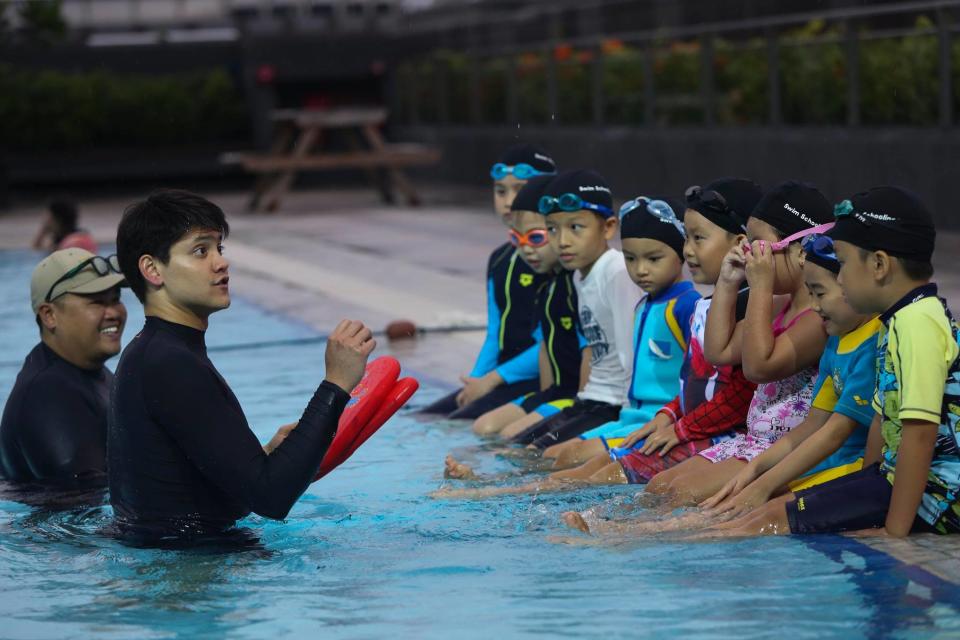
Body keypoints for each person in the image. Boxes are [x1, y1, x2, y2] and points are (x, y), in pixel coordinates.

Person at [437, 180, 760, 499]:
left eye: (697, 239)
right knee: (573, 464)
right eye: (686, 238)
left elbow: (734, 393)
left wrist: (678, 426)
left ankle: (598, 527)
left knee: (596, 469)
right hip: (658, 420)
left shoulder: (692, 305)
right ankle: (496, 489)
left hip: (681, 426)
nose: (687, 249)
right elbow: (690, 381)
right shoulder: (697, 305)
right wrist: (672, 417)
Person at [108, 189, 375, 540]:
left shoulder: (152, 352)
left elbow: (205, 491)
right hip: (189, 579)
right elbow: (271, 498)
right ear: (153, 269)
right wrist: (336, 384)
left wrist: (261, 456)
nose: (221, 262)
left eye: (219, 248)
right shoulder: (171, 363)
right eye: (200, 251)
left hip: (172, 562)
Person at [699, 186, 960, 538]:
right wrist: (860, 493)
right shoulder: (896, 321)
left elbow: (919, 435)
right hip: (896, 482)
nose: (839, 278)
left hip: (940, 497)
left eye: (845, 264)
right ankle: (648, 536)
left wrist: (893, 533)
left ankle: (643, 541)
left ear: (880, 265)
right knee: (766, 512)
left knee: (768, 518)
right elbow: (881, 429)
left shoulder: (917, 323)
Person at [637, 181, 832, 507]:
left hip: (786, 449)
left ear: (801, 251)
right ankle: (618, 531)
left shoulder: (817, 317)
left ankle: (624, 538)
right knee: (659, 485)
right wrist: (728, 282)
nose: (748, 253)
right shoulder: (779, 305)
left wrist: (758, 286)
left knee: (684, 496)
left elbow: (758, 368)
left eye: (759, 245)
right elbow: (719, 352)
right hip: (753, 441)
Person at [539, 195, 700, 468]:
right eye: (631, 258)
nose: (640, 270)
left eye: (653, 258)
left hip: (657, 422)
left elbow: (698, 379)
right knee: (552, 454)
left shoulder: (686, 306)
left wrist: (674, 424)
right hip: (630, 418)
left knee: (573, 459)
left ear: (681, 251)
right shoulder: (643, 305)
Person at [504, 169, 641, 449]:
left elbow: (632, 351)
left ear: (608, 227)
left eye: (575, 228)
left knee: (546, 457)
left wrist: (630, 422)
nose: (562, 240)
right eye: (553, 229)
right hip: (590, 399)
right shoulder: (580, 276)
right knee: (520, 449)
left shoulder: (616, 272)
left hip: (615, 404)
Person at [420, 144, 557, 420]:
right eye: (501, 191)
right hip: (503, 375)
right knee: (427, 416)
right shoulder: (499, 259)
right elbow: (495, 333)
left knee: (461, 422)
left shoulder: (552, 257)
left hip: (534, 377)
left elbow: (550, 344)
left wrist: (493, 379)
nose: (508, 200)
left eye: (520, 189)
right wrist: (474, 381)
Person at [471, 175, 587, 437]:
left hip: (576, 397)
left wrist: (582, 409)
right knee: (484, 428)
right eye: (517, 239)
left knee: (510, 437)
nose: (526, 250)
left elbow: (590, 350)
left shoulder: (578, 285)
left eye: (536, 238)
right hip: (552, 392)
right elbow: (545, 347)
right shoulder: (547, 286)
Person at [0, 248, 126, 484]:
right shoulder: (48, 394)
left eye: (115, 299)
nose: (113, 313)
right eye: (97, 302)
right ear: (49, 315)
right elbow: (82, 507)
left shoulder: (88, 374)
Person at [32, 200, 97, 254]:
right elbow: (36, 249)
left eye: (48, 216)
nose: (44, 220)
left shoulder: (75, 240)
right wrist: (43, 232)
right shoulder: (61, 240)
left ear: (57, 219)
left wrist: (43, 231)